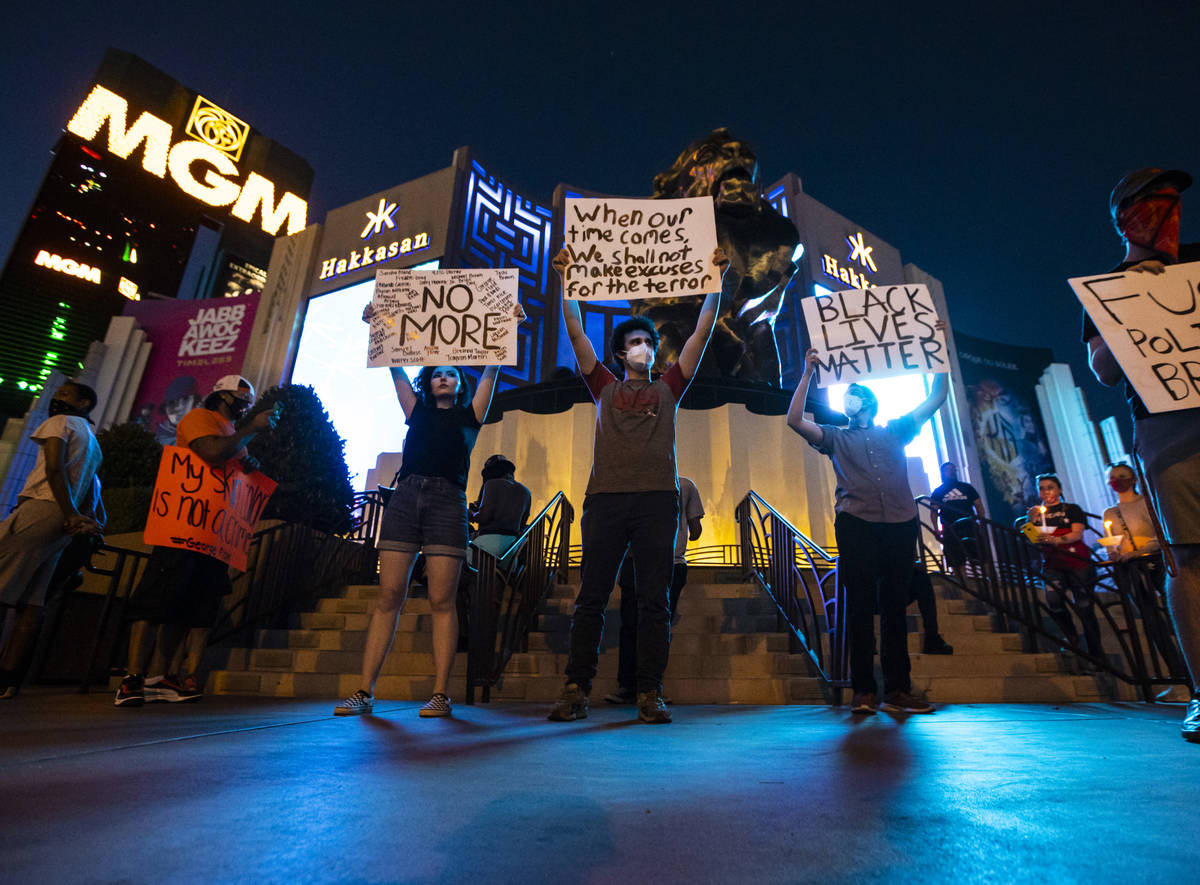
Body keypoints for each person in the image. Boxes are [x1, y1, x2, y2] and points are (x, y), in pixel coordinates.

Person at [547, 246, 728, 725]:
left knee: (654, 602)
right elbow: (575, 331)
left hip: (656, 503)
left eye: (647, 342)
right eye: (633, 343)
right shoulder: (604, 386)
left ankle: (650, 691)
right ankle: (575, 687)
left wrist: (715, 280)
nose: (642, 348)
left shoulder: (669, 387)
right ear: (621, 353)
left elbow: (702, 334)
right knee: (591, 598)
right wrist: (567, 279)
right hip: (604, 501)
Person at [335, 303, 521, 718]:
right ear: (429, 381)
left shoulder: (471, 416)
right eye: (437, 372)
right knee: (388, 595)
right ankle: (363, 691)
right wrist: (377, 324)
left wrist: (507, 323)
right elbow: (396, 369)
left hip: (446, 501)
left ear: (460, 383)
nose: (443, 377)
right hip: (406, 497)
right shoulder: (414, 410)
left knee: (442, 598)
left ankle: (440, 693)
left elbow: (492, 369)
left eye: (451, 373)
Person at [1083, 167, 1200, 741]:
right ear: (1127, 216)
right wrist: (1138, 299)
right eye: (1156, 204)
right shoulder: (1111, 287)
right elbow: (1103, 368)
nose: (1171, 214)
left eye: (1175, 203)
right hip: (1169, 430)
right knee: (1190, 558)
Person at [787, 350, 949, 714]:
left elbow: (937, 397)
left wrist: (937, 351)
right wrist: (807, 372)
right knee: (859, 606)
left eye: (856, 392)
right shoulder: (834, 437)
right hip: (856, 525)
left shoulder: (897, 429)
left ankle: (897, 690)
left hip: (899, 524)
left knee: (894, 607)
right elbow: (794, 420)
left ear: (870, 402)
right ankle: (863, 690)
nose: (849, 396)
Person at [116, 375, 278, 707]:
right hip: (181, 529)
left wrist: (248, 465)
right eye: (241, 397)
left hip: (213, 535)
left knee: (194, 608)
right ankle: (132, 678)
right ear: (222, 396)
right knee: (155, 600)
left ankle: (169, 676)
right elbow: (210, 453)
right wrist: (250, 430)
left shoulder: (233, 433)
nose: (245, 403)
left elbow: (227, 464)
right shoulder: (200, 419)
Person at [0, 382, 104, 698]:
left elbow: (55, 470)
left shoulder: (59, 423)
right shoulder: (93, 441)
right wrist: (82, 519)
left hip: (44, 507)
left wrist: (71, 513)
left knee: (2, 586)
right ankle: (8, 679)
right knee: (32, 600)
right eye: (57, 394)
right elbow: (92, 488)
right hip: (62, 522)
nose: (57, 398)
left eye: (64, 395)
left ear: (84, 402)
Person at [606, 475, 704, 705]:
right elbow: (696, 530)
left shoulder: (633, 481)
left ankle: (628, 685)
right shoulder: (687, 485)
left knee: (630, 624)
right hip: (672, 561)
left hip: (634, 561)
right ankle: (651, 687)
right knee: (659, 623)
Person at [1026, 474, 1104, 660]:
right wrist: (1030, 522)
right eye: (1042, 488)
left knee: (1085, 607)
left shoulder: (1072, 509)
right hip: (1053, 563)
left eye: (1050, 487)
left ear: (1059, 489)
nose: (1046, 492)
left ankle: (1096, 653)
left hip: (1077, 561)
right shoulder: (1036, 513)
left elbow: (1077, 533)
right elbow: (1033, 539)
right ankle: (1071, 635)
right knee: (1053, 599)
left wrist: (1056, 539)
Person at [469, 454, 531, 571]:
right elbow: (523, 523)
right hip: (511, 549)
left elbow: (484, 517)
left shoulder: (492, 484)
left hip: (487, 545)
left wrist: (469, 514)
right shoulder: (525, 491)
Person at [930, 461, 984, 566]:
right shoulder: (938, 491)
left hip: (970, 527)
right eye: (949, 470)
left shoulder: (967, 488)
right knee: (956, 561)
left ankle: (990, 582)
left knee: (981, 557)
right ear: (943, 473)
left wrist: (981, 523)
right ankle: (964, 582)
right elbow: (933, 512)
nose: (952, 472)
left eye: (953, 469)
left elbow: (979, 506)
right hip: (950, 529)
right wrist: (936, 529)